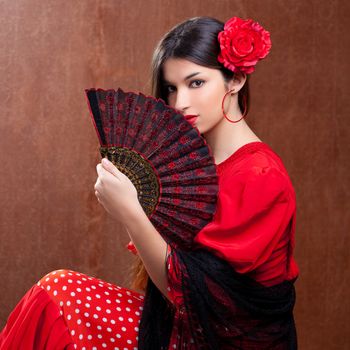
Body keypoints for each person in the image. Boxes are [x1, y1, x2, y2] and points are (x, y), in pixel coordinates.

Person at [0, 16, 299, 349]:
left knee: (61, 294)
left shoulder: (261, 174)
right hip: (177, 326)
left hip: (223, 341)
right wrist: (135, 203)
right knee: (55, 297)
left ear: (237, 79)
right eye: (171, 88)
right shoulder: (196, 165)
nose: (180, 102)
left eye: (195, 83)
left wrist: (130, 211)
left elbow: (191, 293)